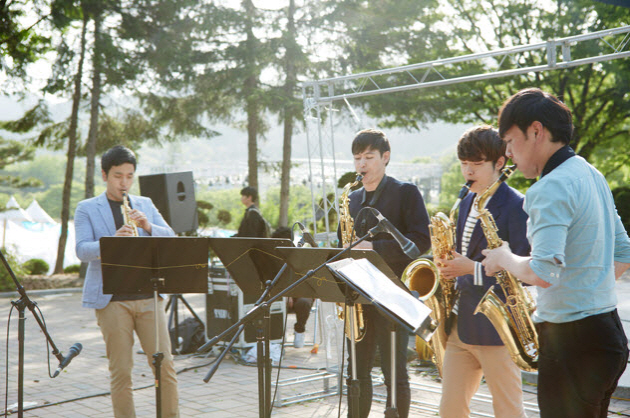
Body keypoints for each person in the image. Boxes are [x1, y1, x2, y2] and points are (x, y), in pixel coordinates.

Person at [482, 88, 630, 418]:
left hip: (571, 345)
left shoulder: (548, 187)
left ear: (536, 131)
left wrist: (503, 257)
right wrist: (586, 289)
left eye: (509, 140)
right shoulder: (590, 173)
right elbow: (624, 251)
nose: (507, 152)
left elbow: (542, 274)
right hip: (608, 336)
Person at [74, 145, 179, 418]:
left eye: (129, 176)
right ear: (104, 175)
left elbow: (172, 239)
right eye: (118, 176)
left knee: (165, 366)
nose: (124, 183)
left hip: (148, 296)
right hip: (111, 300)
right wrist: (111, 244)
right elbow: (82, 250)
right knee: (121, 372)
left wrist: (147, 227)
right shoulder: (86, 208)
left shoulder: (144, 204)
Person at [435, 126, 529, 418]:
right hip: (461, 324)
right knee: (450, 411)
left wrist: (471, 269)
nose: (468, 172)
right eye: (464, 164)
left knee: (509, 411)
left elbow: (526, 270)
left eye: (476, 165)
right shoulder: (465, 201)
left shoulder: (517, 205)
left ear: (499, 162)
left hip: (499, 329)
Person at [337, 128, 431, 418]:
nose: (361, 164)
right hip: (358, 296)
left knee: (394, 373)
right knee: (356, 373)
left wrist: (373, 245)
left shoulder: (405, 192)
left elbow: (421, 241)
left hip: (393, 295)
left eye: (368, 157)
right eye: (357, 158)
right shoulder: (351, 200)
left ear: (385, 157)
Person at [272, 226, 314, 348]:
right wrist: (284, 295)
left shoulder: (300, 256)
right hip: (280, 294)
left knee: (303, 303)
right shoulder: (274, 257)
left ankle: (299, 331)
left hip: (301, 294)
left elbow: (306, 283)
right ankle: (274, 336)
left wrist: (292, 294)